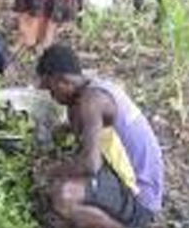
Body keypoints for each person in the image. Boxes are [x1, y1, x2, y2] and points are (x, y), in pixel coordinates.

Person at [37, 45, 165, 228]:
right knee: (62, 187)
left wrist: (50, 171)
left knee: (63, 194)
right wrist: (63, 130)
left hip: (141, 198)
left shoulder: (92, 101)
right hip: (125, 177)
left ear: (63, 81)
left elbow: (90, 165)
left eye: (51, 90)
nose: (52, 97)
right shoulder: (93, 88)